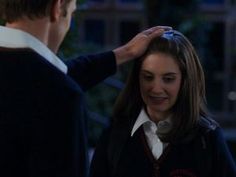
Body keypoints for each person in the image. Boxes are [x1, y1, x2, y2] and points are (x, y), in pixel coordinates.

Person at [0, 0, 171, 177]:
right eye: (72, 15)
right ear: (57, 8)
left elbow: (35, 78)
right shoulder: (61, 96)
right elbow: (43, 83)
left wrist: (124, 53)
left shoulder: (39, 83)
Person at [89, 30, 236, 177]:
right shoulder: (116, 132)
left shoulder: (207, 137)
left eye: (168, 79)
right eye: (148, 77)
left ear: (185, 81)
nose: (156, 89)